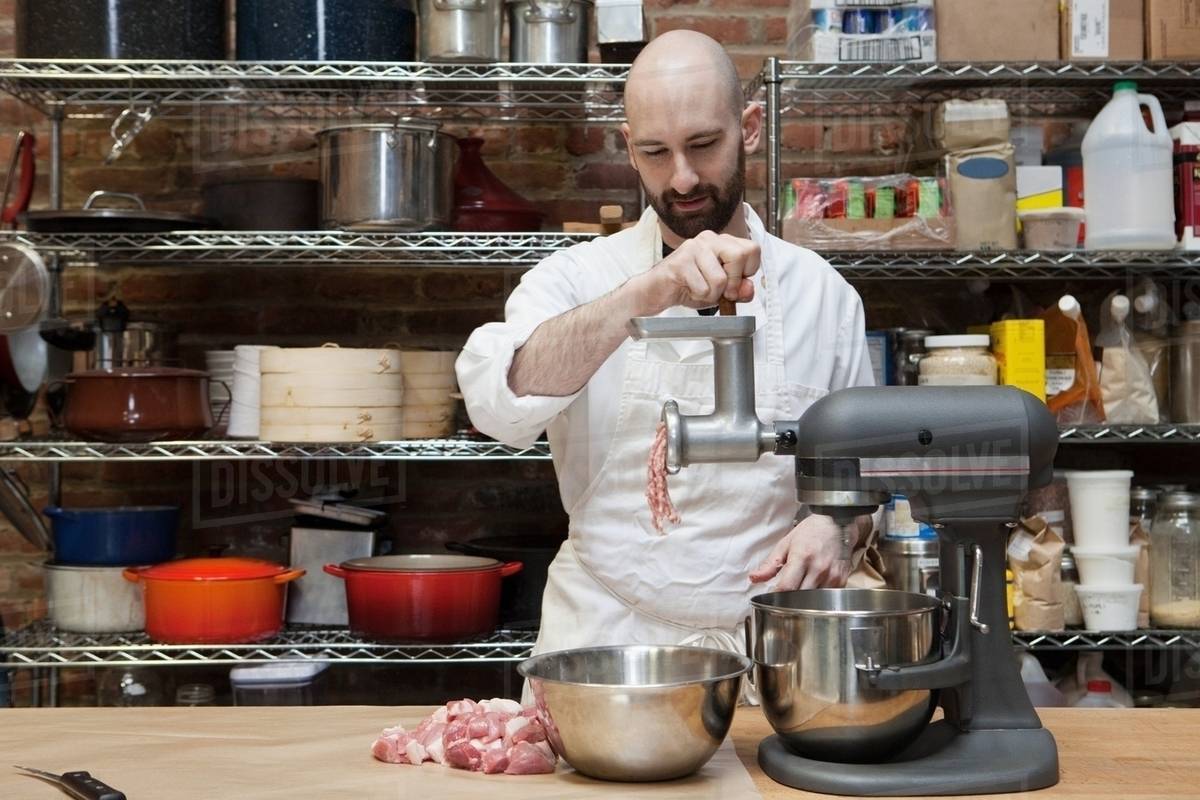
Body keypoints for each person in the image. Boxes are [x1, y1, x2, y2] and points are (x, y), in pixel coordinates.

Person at [456, 31, 877, 669]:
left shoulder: (824, 295)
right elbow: (497, 404)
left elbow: (865, 470)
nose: (681, 178)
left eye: (704, 145)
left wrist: (836, 525)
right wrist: (648, 292)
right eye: (655, 152)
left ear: (751, 129)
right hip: (607, 645)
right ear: (629, 148)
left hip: (777, 649)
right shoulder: (576, 280)